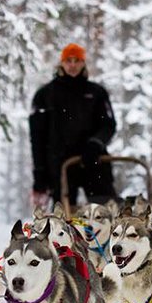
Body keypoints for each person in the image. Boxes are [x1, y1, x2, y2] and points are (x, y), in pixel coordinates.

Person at [29, 43, 117, 208]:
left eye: (77, 60)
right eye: (68, 60)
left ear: (83, 63)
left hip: (93, 161)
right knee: (63, 221)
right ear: (61, 63)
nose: (73, 65)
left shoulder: (97, 93)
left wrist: (96, 143)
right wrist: (39, 176)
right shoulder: (45, 95)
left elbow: (109, 125)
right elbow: (37, 138)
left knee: (106, 212)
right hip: (59, 167)